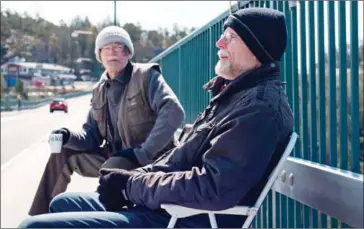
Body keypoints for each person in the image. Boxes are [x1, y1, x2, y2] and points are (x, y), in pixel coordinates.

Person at [20, 7, 294, 228]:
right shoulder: (232, 97)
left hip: (183, 217)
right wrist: (133, 178)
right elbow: (180, 160)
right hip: (164, 202)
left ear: (256, 47)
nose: (219, 42)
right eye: (106, 49)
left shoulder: (257, 108)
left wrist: (132, 180)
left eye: (231, 36)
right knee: (63, 202)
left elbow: (212, 185)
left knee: (34, 227)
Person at [27, 25, 185, 216]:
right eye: (106, 48)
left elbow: (174, 111)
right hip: (115, 156)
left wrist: (143, 153)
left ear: (128, 53)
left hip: (151, 158)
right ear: (99, 55)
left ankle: (98, 220)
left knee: (113, 167)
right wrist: (67, 136)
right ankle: (38, 219)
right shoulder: (99, 89)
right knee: (63, 152)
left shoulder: (146, 76)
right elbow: (90, 136)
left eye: (118, 47)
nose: (112, 53)